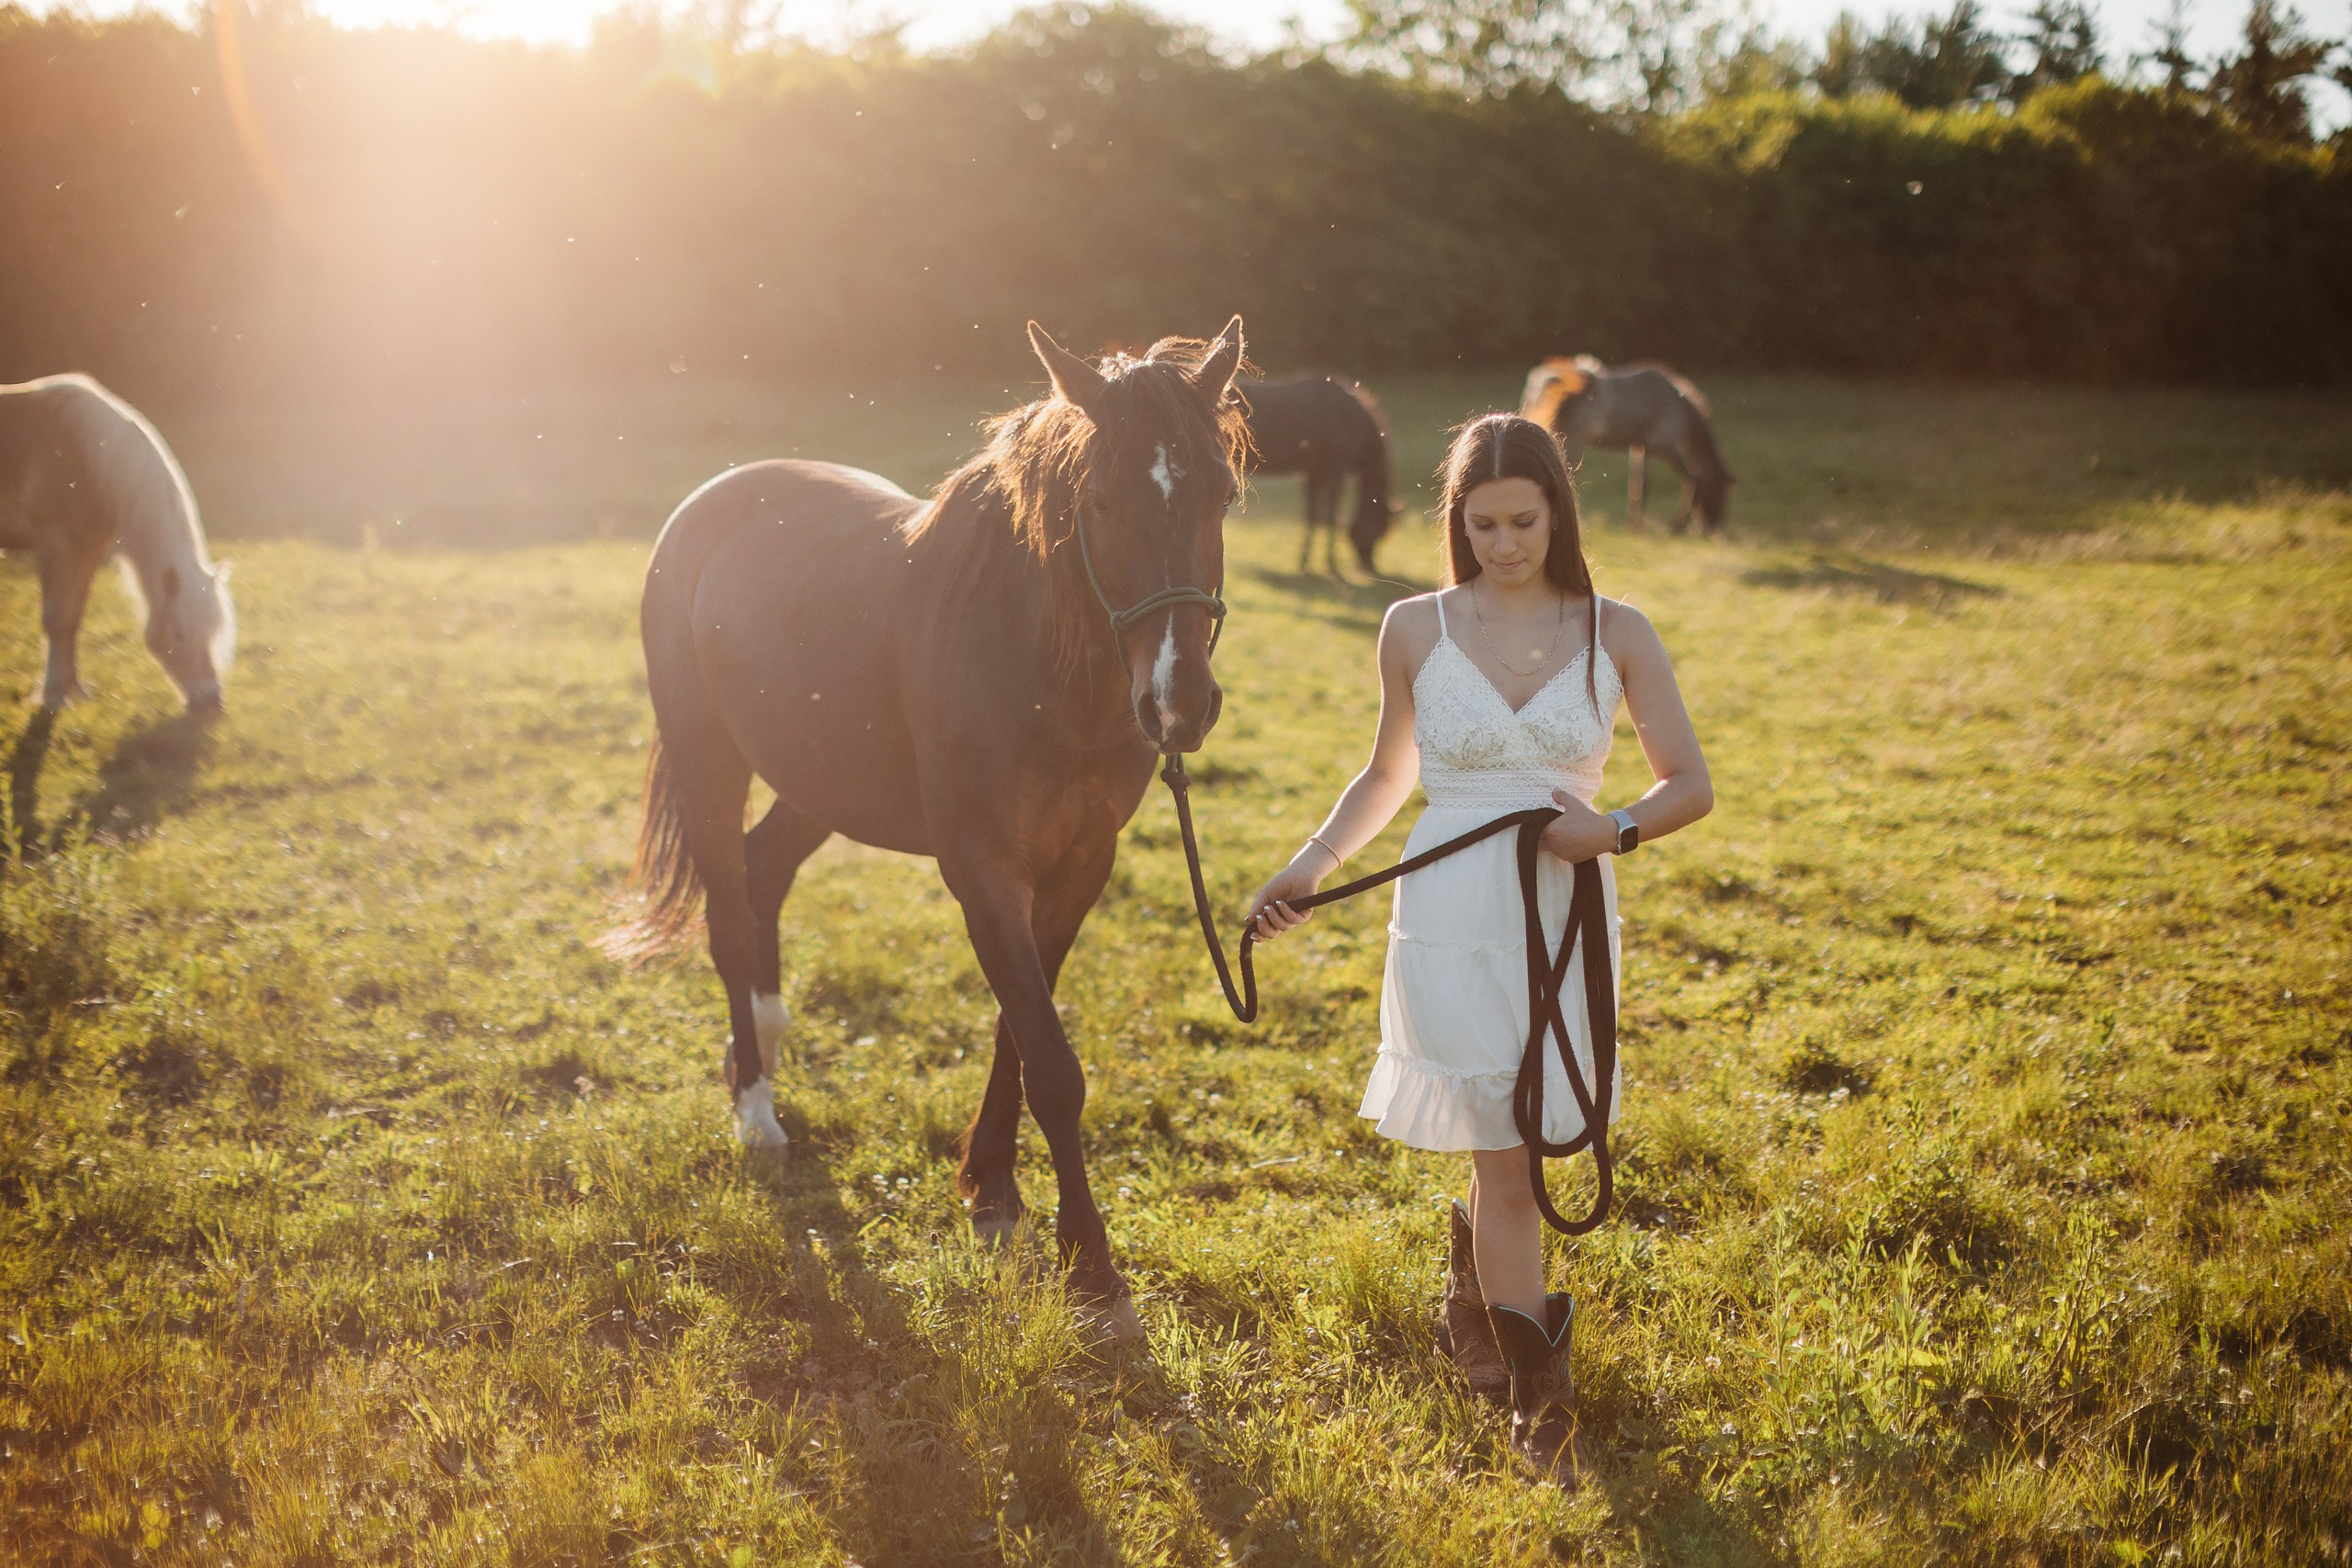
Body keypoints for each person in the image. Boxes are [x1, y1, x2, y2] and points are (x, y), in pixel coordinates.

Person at [1246, 412, 1713, 1480]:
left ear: (1557, 512)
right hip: (1451, 913)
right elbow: (1385, 775)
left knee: (1542, 1137)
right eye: (1482, 523)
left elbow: (1689, 781)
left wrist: (1613, 828)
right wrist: (1307, 866)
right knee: (1505, 1158)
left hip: (1561, 909)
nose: (1503, 544)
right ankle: (1539, 1406)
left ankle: (1476, 1275)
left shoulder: (1617, 630)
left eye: (1523, 521)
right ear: (1456, 520)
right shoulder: (1415, 625)